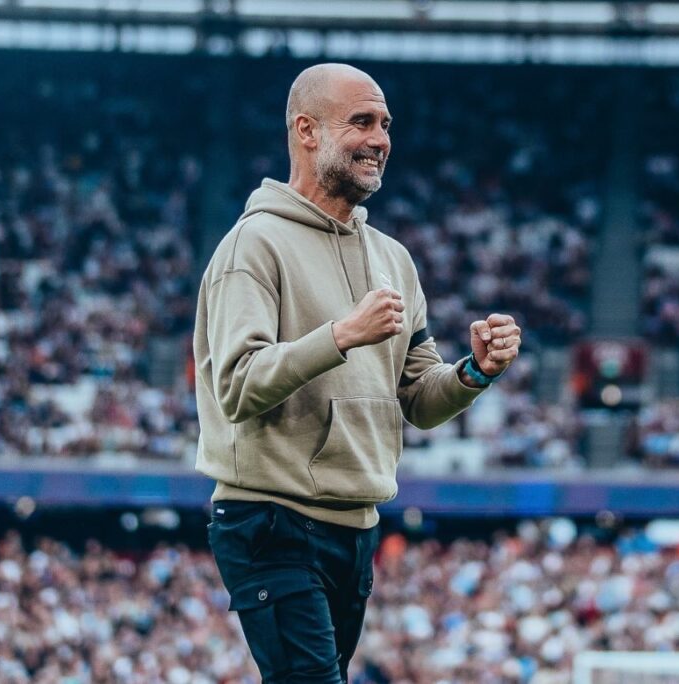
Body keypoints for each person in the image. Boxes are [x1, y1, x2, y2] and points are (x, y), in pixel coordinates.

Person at [194, 63, 522, 683]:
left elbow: (422, 400)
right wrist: (341, 334)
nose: (380, 139)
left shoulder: (392, 259)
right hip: (270, 517)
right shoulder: (252, 245)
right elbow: (236, 386)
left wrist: (475, 372)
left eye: (386, 125)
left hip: (355, 525)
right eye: (362, 122)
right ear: (307, 130)